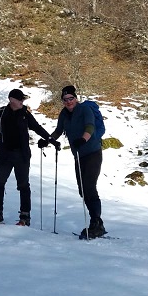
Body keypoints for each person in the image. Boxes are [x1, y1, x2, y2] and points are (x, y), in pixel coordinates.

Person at [0, 88, 55, 226]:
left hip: (22, 156)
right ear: (12, 100)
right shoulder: (1, 112)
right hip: (4, 155)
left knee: (23, 185)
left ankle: (25, 216)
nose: (22, 102)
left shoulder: (25, 114)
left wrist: (51, 140)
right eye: (20, 100)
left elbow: (37, 128)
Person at [49, 84, 107, 238]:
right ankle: (95, 221)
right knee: (82, 189)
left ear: (76, 98)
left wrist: (83, 139)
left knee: (89, 186)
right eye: (65, 99)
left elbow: (90, 127)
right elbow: (59, 130)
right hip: (79, 156)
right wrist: (48, 140)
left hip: (93, 153)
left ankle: (97, 223)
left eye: (71, 98)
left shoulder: (84, 110)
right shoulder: (64, 114)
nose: (68, 102)